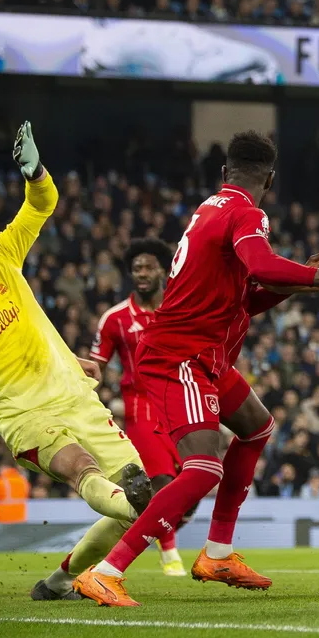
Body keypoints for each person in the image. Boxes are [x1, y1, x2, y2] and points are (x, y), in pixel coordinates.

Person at [73, 131, 319, 607]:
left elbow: (246, 298)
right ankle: (108, 570)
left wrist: (307, 282)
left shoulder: (208, 210)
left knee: (257, 427)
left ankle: (217, 552)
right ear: (269, 180)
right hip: (182, 357)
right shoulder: (245, 213)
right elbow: (264, 265)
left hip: (205, 356)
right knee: (203, 468)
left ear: (224, 173)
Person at [0, 122, 155, 603]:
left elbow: (41, 204)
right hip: (24, 416)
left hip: (75, 396)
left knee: (143, 497)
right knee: (84, 470)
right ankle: (140, 530)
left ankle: (61, 582)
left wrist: (35, 172)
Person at [90, 238, 187, 577]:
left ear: (163, 269)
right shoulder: (114, 318)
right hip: (140, 407)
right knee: (161, 479)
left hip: (179, 400)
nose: (141, 274)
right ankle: (170, 552)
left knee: (195, 480)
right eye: (136, 269)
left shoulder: (178, 308)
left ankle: (159, 529)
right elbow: (95, 367)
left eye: (148, 267)